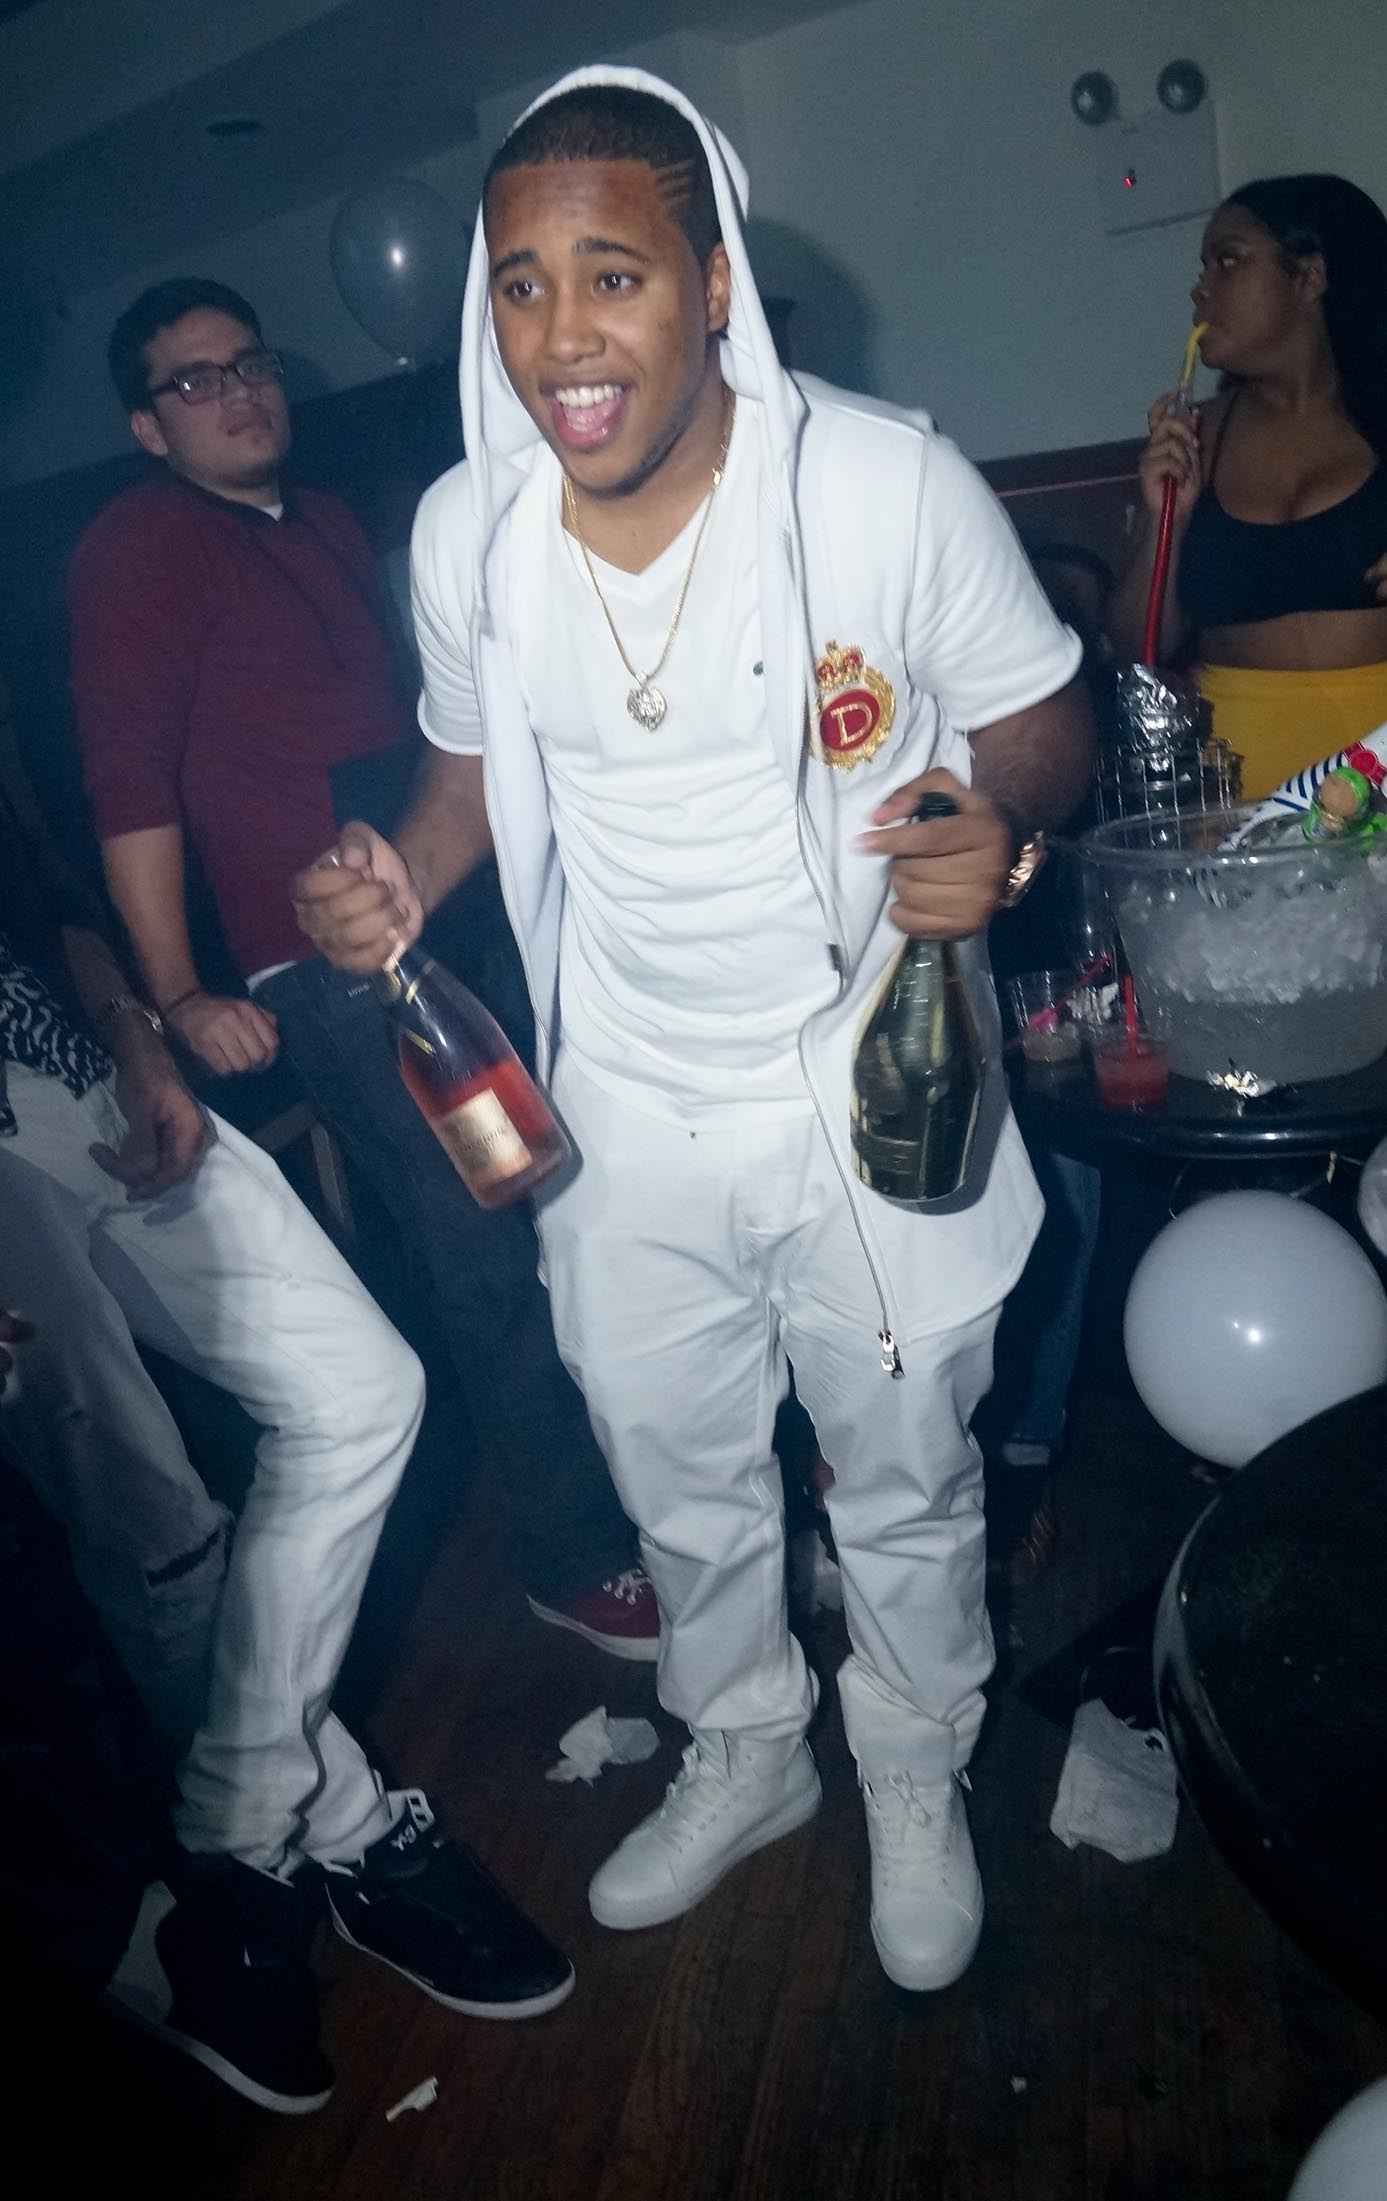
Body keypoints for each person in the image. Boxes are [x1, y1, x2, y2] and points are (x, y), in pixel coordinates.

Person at [295, 68, 1095, 1994]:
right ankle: (748, 1748)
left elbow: (1043, 724)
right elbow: (463, 774)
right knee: (678, 1474)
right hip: (629, 1096)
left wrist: (994, 827)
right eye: (518, 284)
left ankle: (911, 1762)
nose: (562, 337)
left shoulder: (885, 487)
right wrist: (396, 869)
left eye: (613, 275)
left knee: (901, 1471)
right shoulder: (467, 534)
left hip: (867, 1064)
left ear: (712, 278)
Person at [0, 688, 574, 2112]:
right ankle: (351, 1833)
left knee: (362, 1388)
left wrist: (137, 1035)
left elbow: (46, 889)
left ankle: (226, 1858)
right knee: (154, 1525)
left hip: (74, 1071)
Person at [68, 278, 657, 1659]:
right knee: (482, 1240)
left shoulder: (325, 518)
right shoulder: (136, 545)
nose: (238, 392)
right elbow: (127, 790)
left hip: (444, 916)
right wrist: (180, 995)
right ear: (147, 427)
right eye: (196, 381)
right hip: (326, 972)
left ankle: (659, 1492)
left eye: (250, 363)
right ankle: (572, 1554)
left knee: (583, 1201)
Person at [1111, 174, 1387, 799]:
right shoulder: (1197, 434)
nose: (1201, 287)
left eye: (1228, 260)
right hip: (1238, 815)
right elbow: (1138, 650)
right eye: (1204, 265)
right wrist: (1166, 515)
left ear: (1309, 277)